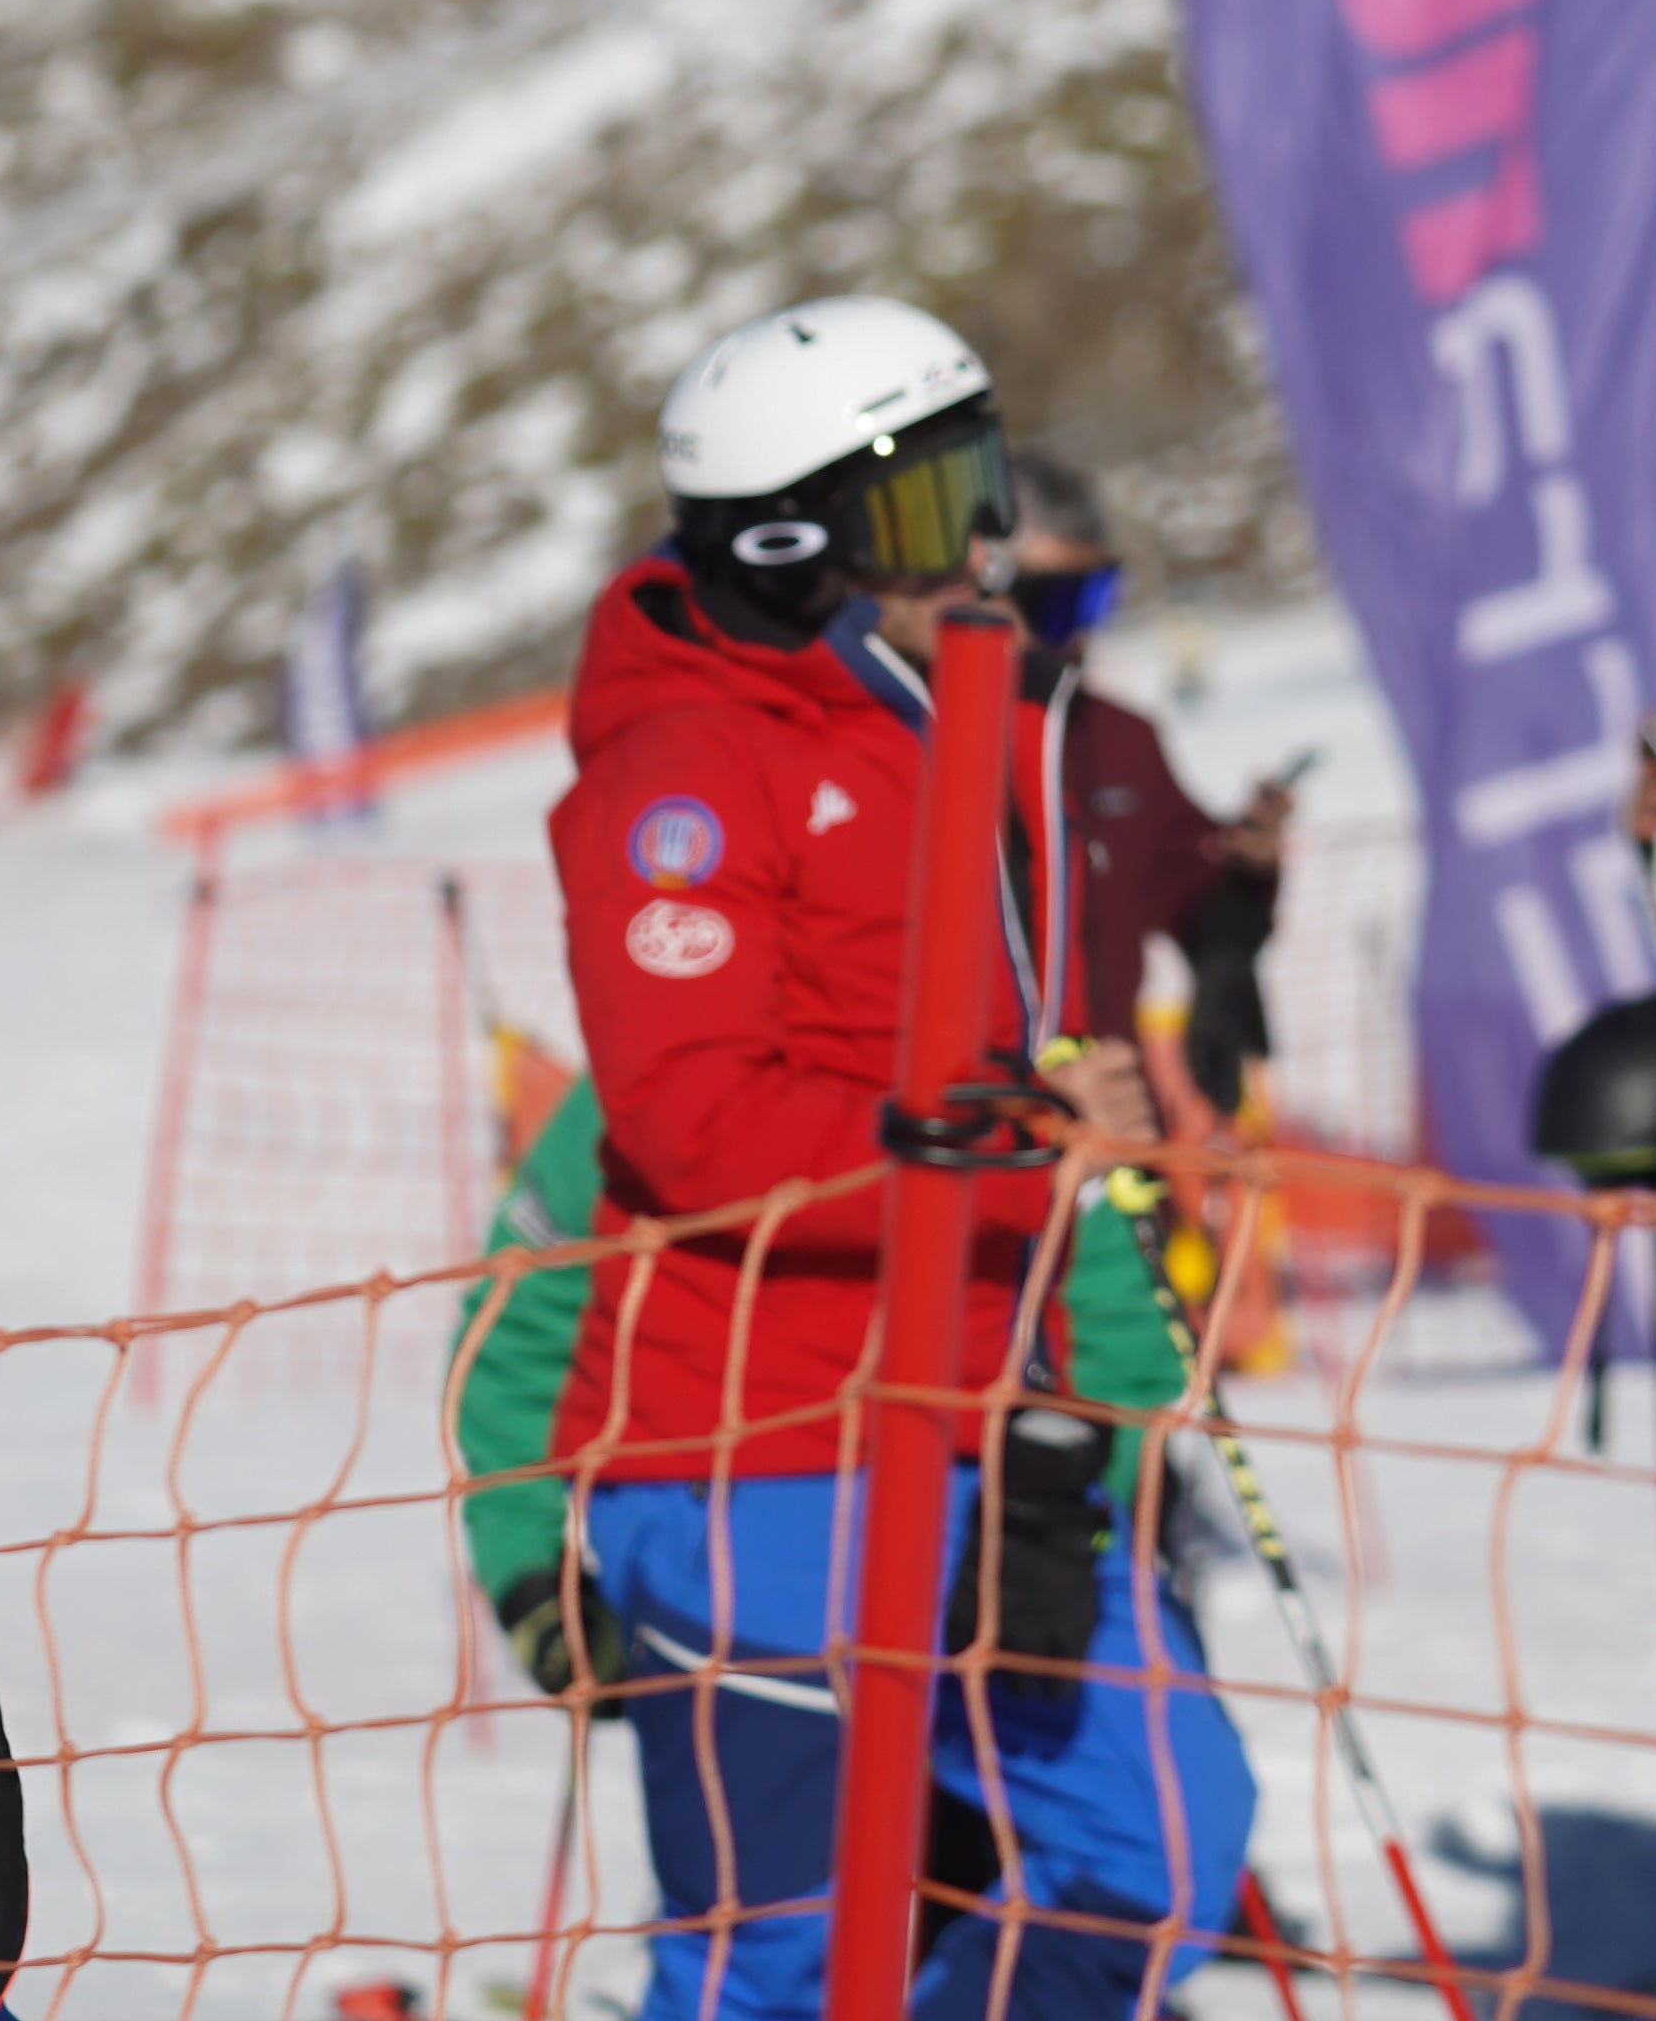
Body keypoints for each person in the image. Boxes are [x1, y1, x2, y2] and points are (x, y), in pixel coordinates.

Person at [545, 297, 1253, 2021]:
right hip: (760, 1445)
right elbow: (697, 1124)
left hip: (977, 1408)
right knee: (777, 1945)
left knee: (1162, 1843)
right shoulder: (679, 771)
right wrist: (1022, 1152)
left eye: (983, 482)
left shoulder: (930, 711)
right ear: (792, 541)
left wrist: (1051, 1148)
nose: (984, 545)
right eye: (934, 507)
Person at [1001, 449, 1288, 1118]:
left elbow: (1183, 875)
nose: (1078, 631)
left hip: (1120, 1128)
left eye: (1096, 597)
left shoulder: (1119, 736)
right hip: (999, 1130)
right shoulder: (926, 743)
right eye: (1054, 603)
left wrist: (1237, 892)